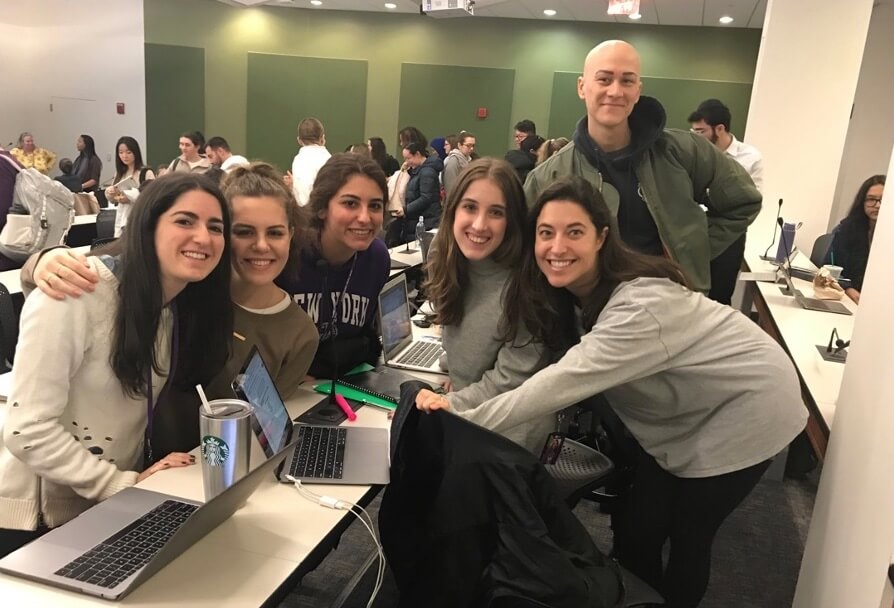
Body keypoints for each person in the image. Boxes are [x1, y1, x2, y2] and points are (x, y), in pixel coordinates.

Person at [418, 175, 807, 608]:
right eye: (546, 233)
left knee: (688, 534)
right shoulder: (573, 293)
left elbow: (555, 386)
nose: (557, 247)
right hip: (686, 410)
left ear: (602, 237)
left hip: (752, 403)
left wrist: (456, 419)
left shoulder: (637, 306)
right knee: (639, 528)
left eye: (575, 232)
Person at [0, 173, 233, 558]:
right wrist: (120, 484)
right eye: (184, 221)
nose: (204, 238)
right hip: (35, 521)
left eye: (215, 227)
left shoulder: (176, 305)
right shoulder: (76, 292)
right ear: (147, 225)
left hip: (102, 504)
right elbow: (28, 430)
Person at [26, 163, 319, 453]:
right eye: (242, 232)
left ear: (291, 234)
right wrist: (45, 260)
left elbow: (264, 429)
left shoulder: (298, 332)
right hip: (117, 463)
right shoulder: (180, 280)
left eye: (276, 233)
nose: (261, 245)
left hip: (207, 467)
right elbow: (97, 269)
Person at [524, 40, 762, 296]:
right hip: (587, 313)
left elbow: (743, 201)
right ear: (582, 87)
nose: (615, 92)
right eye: (604, 79)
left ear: (638, 90)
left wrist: (693, 249)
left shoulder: (686, 151)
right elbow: (525, 251)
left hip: (673, 304)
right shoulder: (548, 177)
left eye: (627, 81)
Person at [414, 159, 552, 453]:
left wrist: (450, 402)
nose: (479, 224)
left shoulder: (529, 285)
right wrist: (457, 374)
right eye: (470, 207)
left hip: (508, 438)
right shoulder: (448, 257)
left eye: (496, 213)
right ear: (453, 210)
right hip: (469, 413)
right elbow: (466, 339)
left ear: (512, 220)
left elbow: (508, 381)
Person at [276, 153, 390, 379]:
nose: (365, 218)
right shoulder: (286, 254)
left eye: (375, 206)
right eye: (350, 203)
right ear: (322, 208)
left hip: (341, 386)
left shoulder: (377, 259)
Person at [688, 98, 764, 303]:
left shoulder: (750, 157)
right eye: (693, 132)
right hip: (695, 231)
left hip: (730, 237)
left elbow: (751, 201)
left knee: (720, 296)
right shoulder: (694, 154)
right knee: (691, 295)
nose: (695, 137)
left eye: (701, 131)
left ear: (719, 129)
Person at [825, 174, 885, 304]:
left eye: (883, 200)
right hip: (846, 297)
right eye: (871, 199)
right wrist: (849, 289)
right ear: (862, 202)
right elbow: (829, 267)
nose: (877, 205)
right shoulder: (846, 229)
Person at [105, 136, 156, 236]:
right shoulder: (119, 173)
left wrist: (129, 198)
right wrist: (111, 193)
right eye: (121, 153)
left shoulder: (145, 173)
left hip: (140, 218)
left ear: (135, 153)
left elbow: (153, 196)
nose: (124, 156)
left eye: (128, 152)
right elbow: (112, 199)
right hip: (123, 217)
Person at [395, 142, 443, 244]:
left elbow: (425, 198)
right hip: (421, 220)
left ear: (417, 154)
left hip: (427, 222)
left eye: (408, 158)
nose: (406, 162)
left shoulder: (427, 172)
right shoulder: (418, 171)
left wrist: (406, 210)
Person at [290, 117, 331, 207]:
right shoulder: (331, 160)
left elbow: (303, 194)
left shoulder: (299, 160)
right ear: (322, 138)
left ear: (299, 141)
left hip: (304, 213)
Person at [442, 132, 475, 197]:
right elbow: (450, 188)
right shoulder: (453, 161)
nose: (471, 148)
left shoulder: (468, 160)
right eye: (468, 145)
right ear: (459, 145)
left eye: (473, 146)